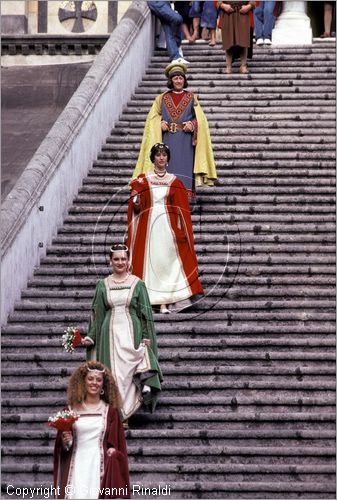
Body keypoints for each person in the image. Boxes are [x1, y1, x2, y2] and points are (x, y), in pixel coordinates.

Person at [81, 244, 162, 422]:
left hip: (131, 335)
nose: (120, 262)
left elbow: (145, 315)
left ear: (128, 261)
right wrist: (91, 336)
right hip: (108, 336)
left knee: (128, 374)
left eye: (123, 259)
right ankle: (116, 416)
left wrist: (146, 337)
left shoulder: (138, 284)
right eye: (116, 259)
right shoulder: (103, 285)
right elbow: (98, 315)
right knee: (113, 374)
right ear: (111, 261)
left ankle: (126, 413)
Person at [128, 143, 204, 314]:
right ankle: (155, 302)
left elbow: (181, 209)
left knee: (167, 264)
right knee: (152, 263)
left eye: (164, 155)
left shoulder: (174, 181)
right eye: (158, 154)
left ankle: (167, 302)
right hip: (149, 227)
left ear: (168, 159)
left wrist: (181, 229)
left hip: (167, 228)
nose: (161, 157)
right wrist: (136, 200)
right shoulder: (143, 178)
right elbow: (137, 205)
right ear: (153, 158)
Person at [133, 62, 217, 194]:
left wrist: (193, 124)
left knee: (185, 168)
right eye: (175, 78)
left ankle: (185, 198)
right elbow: (152, 118)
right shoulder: (162, 98)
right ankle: (166, 196)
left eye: (181, 78)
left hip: (185, 141)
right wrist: (159, 123)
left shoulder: (191, 97)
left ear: (184, 80)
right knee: (167, 167)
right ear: (171, 80)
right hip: (167, 140)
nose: (178, 81)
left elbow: (201, 120)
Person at [53, 361, 130, 499]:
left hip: (99, 465)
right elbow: (62, 447)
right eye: (90, 378)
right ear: (83, 381)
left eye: (98, 380)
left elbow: (117, 444)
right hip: (76, 464)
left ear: (103, 384)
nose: (94, 382)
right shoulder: (70, 411)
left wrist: (113, 451)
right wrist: (67, 442)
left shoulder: (110, 412)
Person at [216, 1, 256, 74]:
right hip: (228, 12)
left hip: (243, 12)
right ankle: (228, 66)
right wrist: (223, 5)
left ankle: (243, 66)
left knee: (243, 40)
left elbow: (253, 1)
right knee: (228, 40)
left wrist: (249, 6)